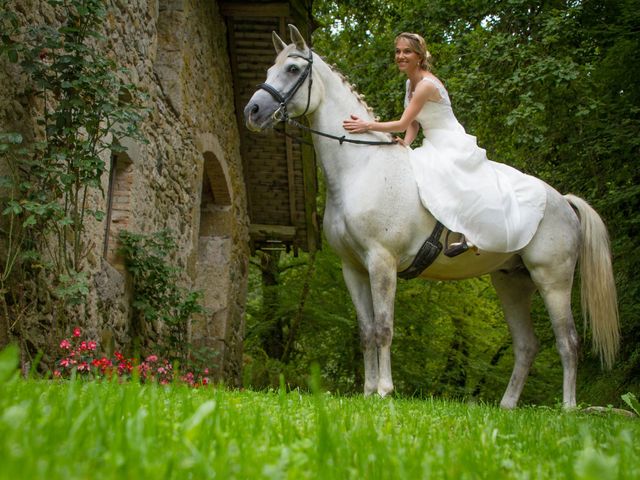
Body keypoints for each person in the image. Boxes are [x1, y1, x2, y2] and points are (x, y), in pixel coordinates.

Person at [342, 32, 546, 256]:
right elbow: (413, 125)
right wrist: (406, 144)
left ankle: (471, 235)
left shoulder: (426, 86)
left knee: (451, 180)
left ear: (419, 56)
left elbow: (402, 123)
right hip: (433, 140)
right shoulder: (410, 84)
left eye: (407, 51)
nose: (400, 56)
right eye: (398, 51)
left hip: (449, 140)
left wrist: (367, 125)